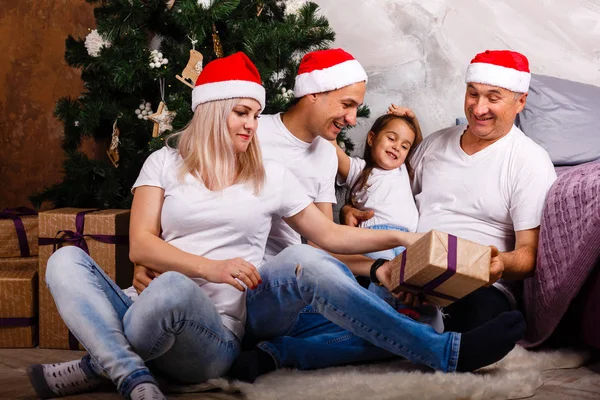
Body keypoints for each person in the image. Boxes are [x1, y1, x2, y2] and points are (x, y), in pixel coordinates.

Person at [25, 51, 505, 400]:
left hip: (219, 327)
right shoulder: (163, 164)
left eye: (255, 114)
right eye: (240, 113)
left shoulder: (270, 174)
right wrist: (211, 268)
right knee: (67, 259)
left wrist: (401, 238)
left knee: (298, 259)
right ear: (211, 111)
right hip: (152, 306)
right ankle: (129, 374)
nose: (251, 124)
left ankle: (438, 350)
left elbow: (329, 236)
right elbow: (140, 245)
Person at [344, 49, 557, 333]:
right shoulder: (434, 144)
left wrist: (497, 262)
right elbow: (393, 195)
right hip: (407, 267)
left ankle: (406, 331)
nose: (479, 108)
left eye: (493, 98)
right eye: (473, 94)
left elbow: (529, 255)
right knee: (341, 283)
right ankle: (426, 339)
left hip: (475, 283)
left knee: (471, 317)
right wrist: (349, 210)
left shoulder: (530, 161)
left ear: (520, 102)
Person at [332, 106, 423, 260]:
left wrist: (413, 118)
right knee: (382, 275)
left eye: (404, 146)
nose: (396, 147)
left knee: (406, 280)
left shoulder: (404, 170)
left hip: (407, 241)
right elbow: (334, 150)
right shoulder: (359, 169)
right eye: (391, 138)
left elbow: (420, 147)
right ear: (372, 138)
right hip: (374, 236)